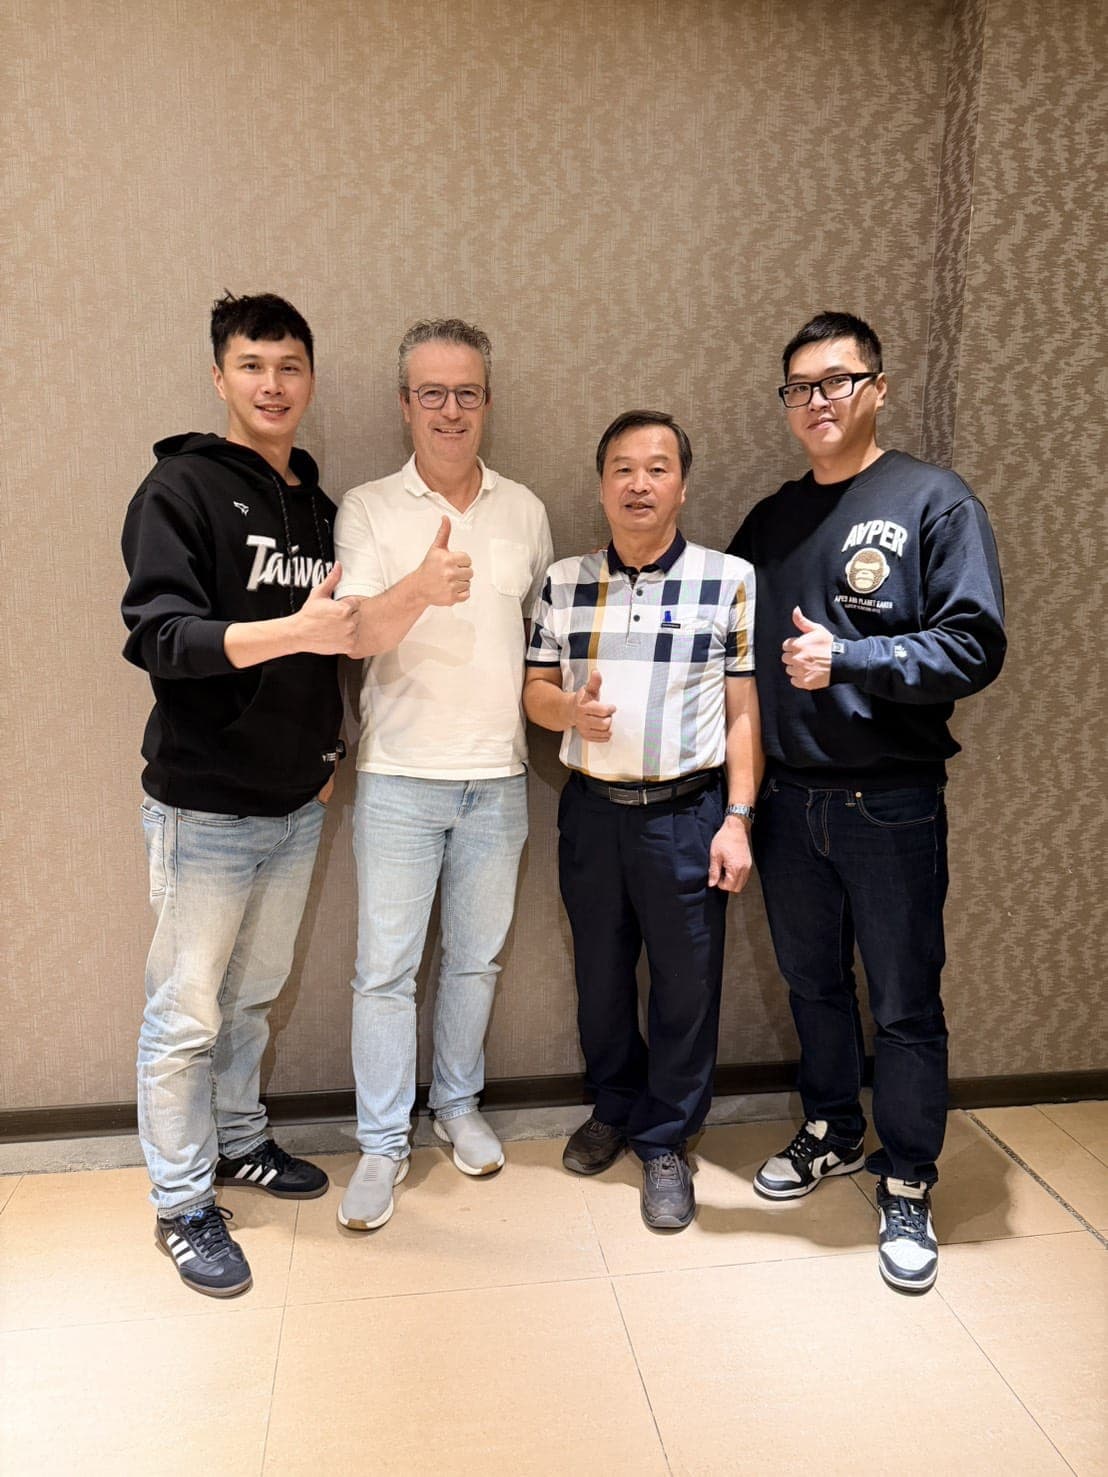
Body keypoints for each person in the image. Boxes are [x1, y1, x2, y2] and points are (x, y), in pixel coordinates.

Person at [728, 311, 1006, 1292]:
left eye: (836, 380)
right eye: (799, 387)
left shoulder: (933, 500)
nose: (817, 400)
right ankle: (833, 1127)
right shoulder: (769, 521)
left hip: (891, 801)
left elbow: (974, 645)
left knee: (903, 1001)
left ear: (877, 388)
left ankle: (909, 1173)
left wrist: (849, 657)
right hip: (788, 800)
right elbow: (729, 650)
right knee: (812, 984)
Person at [121, 292, 360, 1297]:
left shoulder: (320, 506)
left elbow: (339, 642)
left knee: (252, 996)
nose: (272, 384)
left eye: (289, 366)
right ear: (219, 376)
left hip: (296, 805)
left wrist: (328, 748)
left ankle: (239, 1138)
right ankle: (183, 1202)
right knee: (185, 1015)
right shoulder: (176, 488)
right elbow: (161, 637)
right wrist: (294, 631)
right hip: (204, 807)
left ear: (310, 380)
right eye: (252, 365)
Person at [333, 318, 553, 1231]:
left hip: (497, 778)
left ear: (487, 402)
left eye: (466, 392)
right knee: (384, 972)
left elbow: (540, 639)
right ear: (405, 404)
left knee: (474, 959)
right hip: (397, 777)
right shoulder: (368, 506)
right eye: (432, 392)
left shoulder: (525, 509)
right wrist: (419, 587)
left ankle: (457, 1104)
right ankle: (382, 1142)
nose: (450, 410)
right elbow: (353, 637)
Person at [524, 411, 761, 1231]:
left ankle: (666, 1138)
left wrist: (738, 817)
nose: (639, 483)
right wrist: (567, 711)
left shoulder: (729, 579)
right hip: (592, 813)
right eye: (622, 468)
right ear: (601, 485)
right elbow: (535, 691)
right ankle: (614, 1106)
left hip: (688, 814)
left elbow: (743, 712)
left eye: (658, 468)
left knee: (686, 986)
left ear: (682, 485)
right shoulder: (563, 581)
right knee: (600, 976)